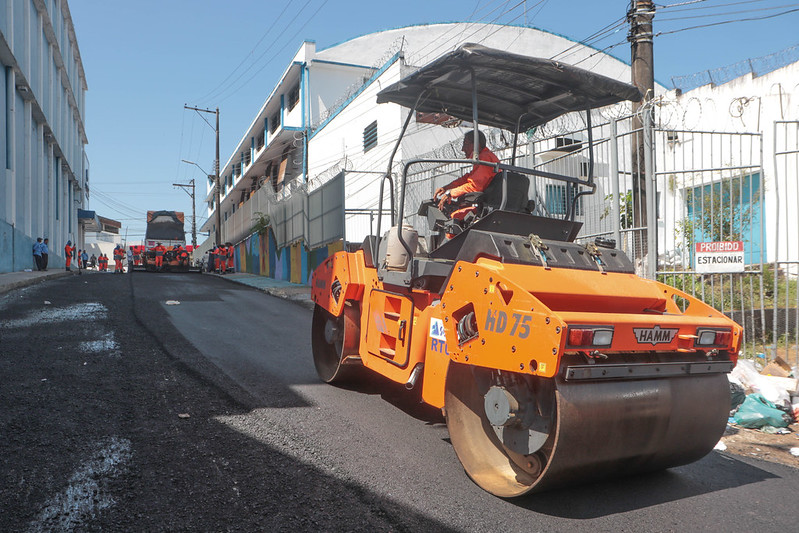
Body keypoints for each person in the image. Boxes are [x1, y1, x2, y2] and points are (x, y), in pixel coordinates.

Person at [434, 130, 499, 222]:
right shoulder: (487, 157)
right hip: (487, 202)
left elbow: (475, 186)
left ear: (476, 145)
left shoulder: (484, 158)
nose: (463, 149)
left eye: (466, 144)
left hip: (486, 204)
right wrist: (446, 188)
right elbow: (468, 178)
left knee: (454, 218)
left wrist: (450, 193)